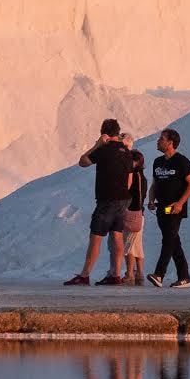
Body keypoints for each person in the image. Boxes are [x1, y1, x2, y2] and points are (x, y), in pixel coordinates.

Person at [64, 119, 131, 286]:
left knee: (96, 237)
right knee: (117, 236)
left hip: (106, 200)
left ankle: (85, 275)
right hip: (123, 200)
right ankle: (116, 274)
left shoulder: (104, 150)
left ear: (105, 134)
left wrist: (97, 145)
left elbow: (83, 162)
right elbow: (129, 179)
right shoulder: (127, 151)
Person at [147, 127, 190, 288]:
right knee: (173, 241)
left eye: (161, 139)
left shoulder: (182, 161)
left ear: (170, 142)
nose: (158, 141)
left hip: (175, 208)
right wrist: (151, 200)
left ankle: (159, 274)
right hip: (161, 208)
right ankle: (184, 277)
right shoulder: (158, 162)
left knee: (168, 239)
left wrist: (180, 203)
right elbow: (154, 184)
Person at [119, 141, 147, 286]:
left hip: (131, 214)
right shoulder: (143, 178)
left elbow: (130, 196)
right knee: (137, 245)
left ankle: (129, 274)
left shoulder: (133, 177)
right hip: (140, 215)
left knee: (128, 245)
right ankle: (140, 274)